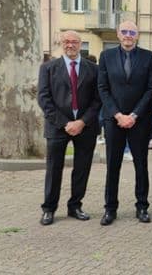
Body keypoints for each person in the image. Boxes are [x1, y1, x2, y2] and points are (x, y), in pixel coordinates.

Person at [37, 31, 102, 225]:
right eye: (66, 41)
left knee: (82, 168)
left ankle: (75, 206)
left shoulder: (94, 69)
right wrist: (65, 123)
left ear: (80, 44)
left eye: (74, 42)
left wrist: (82, 122)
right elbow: (44, 98)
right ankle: (49, 209)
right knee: (53, 168)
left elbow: (98, 99)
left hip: (86, 126)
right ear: (61, 44)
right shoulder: (48, 68)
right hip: (57, 126)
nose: (70, 45)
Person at [98, 20, 152, 225]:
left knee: (141, 165)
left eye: (132, 32)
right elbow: (102, 88)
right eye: (124, 31)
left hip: (139, 120)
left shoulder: (149, 57)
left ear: (137, 35)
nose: (128, 35)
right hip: (113, 119)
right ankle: (110, 209)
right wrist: (117, 115)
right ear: (118, 34)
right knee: (112, 165)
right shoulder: (106, 56)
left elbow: (151, 89)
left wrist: (134, 115)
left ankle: (142, 207)